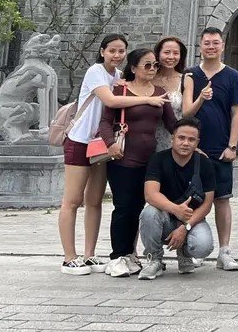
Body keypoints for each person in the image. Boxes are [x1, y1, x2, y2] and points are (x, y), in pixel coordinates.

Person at [59, 33, 163, 275]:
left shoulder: (117, 76)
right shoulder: (95, 71)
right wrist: (149, 98)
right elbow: (111, 102)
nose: (117, 55)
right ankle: (68, 257)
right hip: (81, 140)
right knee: (72, 200)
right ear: (102, 51)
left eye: (121, 51)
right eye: (112, 50)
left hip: (101, 144)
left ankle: (89, 254)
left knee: (94, 201)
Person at [98, 48, 178, 276]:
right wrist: (110, 144)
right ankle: (117, 255)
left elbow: (172, 124)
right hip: (123, 158)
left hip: (149, 160)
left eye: (155, 65)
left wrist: (191, 140)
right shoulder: (121, 90)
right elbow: (106, 121)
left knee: (139, 207)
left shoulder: (160, 92)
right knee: (123, 207)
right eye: (147, 65)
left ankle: (130, 254)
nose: (152, 69)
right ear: (134, 68)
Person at [183, 26, 238, 270]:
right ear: (200, 46)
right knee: (191, 200)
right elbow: (186, 112)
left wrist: (232, 145)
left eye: (215, 43)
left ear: (223, 45)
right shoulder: (190, 75)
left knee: (222, 199)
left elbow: (237, 111)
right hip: (192, 148)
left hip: (220, 148)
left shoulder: (232, 76)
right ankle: (193, 249)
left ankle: (224, 251)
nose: (211, 46)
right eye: (206, 42)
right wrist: (201, 97)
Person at [137, 117, 217, 281]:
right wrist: (176, 210)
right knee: (149, 213)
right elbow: (150, 194)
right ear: (172, 138)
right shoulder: (158, 159)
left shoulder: (205, 164)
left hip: (191, 219)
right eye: (181, 138)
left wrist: (185, 227)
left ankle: (185, 254)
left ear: (197, 142)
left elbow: (207, 205)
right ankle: (155, 259)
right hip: (164, 216)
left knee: (204, 245)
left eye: (191, 139)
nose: (185, 143)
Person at [152, 35, 188, 152]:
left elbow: (188, 113)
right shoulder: (147, 77)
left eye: (176, 53)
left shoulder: (185, 79)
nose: (171, 57)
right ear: (158, 54)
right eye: (166, 52)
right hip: (147, 139)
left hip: (173, 139)